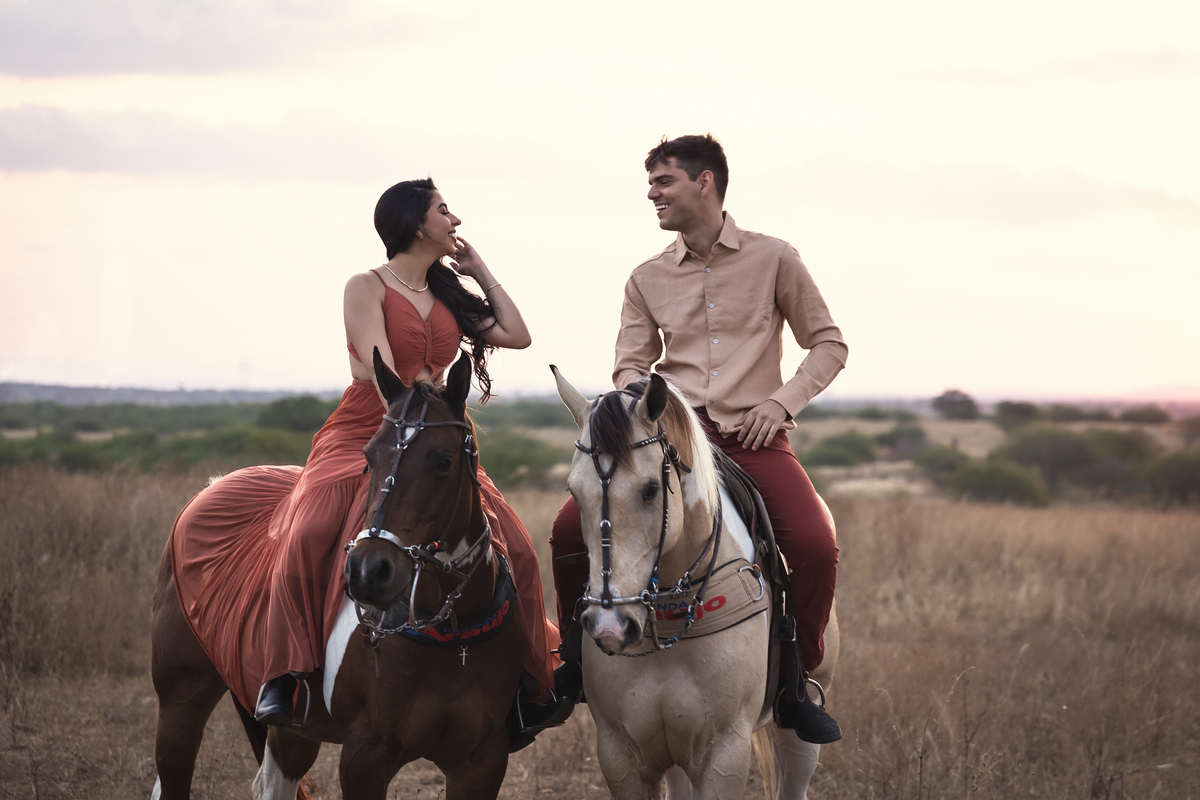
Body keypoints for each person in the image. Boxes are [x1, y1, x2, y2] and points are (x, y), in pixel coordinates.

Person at [548, 135, 847, 742]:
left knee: (815, 543)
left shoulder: (775, 258)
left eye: (663, 183)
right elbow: (630, 363)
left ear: (704, 182)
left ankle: (796, 680)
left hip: (752, 439)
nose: (652, 195)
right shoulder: (646, 277)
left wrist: (780, 402)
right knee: (562, 532)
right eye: (651, 185)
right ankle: (575, 669)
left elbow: (830, 344)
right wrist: (642, 409)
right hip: (667, 441)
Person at [249, 179, 569, 737]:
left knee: (511, 540)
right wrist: (417, 402)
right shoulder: (365, 285)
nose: (455, 220)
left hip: (435, 437)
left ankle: (532, 681)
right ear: (417, 223)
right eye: (445, 210)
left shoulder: (446, 291)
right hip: (367, 428)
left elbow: (518, 335)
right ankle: (286, 675)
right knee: (310, 527)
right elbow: (368, 369)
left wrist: (480, 270)